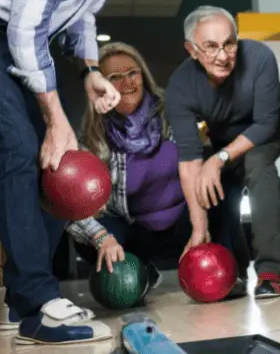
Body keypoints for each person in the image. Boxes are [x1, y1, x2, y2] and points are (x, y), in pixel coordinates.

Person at [0, 0, 173, 341]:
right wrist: (56, 118)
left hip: (25, 41)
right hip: (12, 34)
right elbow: (24, 29)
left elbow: (80, 12)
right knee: (20, 150)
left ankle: (22, 303)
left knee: (54, 167)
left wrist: (89, 71)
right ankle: (37, 305)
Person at [65, 42, 249, 298]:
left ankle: (226, 271)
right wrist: (100, 238)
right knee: (89, 235)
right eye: (114, 78)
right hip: (134, 233)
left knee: (223, 187)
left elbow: (202, 154)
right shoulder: (92, 137)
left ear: (144, 76)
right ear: (100, 87)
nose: (126, 82)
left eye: (132, 73)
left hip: (183, 224)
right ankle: (142, 273)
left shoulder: (174, 111)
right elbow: (72, 203)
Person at [165, 6, 280, 299]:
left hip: (273, 125)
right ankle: (232, 270)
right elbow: (189, 160)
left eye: (229, 43)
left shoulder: (259, 57)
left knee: (256, 163)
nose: (223, 56)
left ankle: (270, 272)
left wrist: (220, 157)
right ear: (192, 50)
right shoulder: (180, 87)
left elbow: (265, 124)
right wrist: (198, 228)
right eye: (211, 47)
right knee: (214, 186)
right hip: (226, 136)